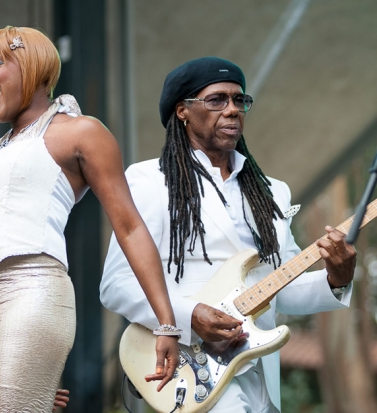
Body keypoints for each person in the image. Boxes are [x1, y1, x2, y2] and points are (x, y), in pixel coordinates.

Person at [100, 56, 357, 412]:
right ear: (182, 111)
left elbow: (282, 290)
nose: (233, 109)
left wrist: (337, 279)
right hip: (187, 366)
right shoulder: (148, 181)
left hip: (257, 369)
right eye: (217, 99)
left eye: (239, 100)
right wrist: (190, 316)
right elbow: (116, 284)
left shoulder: (271, 191)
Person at [0, 26, 179, 413]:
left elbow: (130, 226)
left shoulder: (80, 131)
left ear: (33, 66)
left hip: (29, 290)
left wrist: (166, 322)